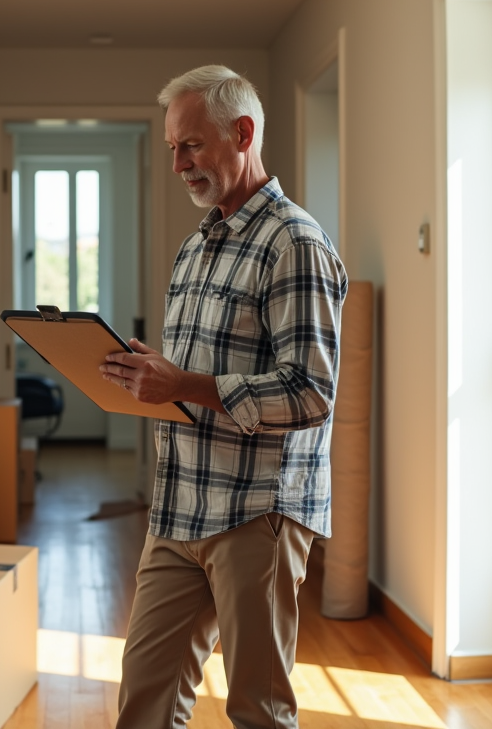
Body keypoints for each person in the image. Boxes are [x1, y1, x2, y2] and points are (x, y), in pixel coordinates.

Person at [98, 65, 348, 729]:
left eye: (192, 146)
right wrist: (151, 376)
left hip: (257, 514)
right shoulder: (196, 248)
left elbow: (311, 393)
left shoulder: (294, 244)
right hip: (181, 504)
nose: (178, 164)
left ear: (242, 133)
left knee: (258, 710)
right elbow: (195, 379)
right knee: (144, 700)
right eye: (172, 148)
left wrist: (183, 384)